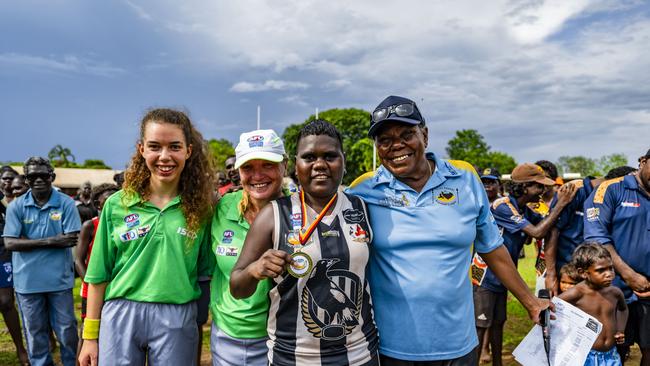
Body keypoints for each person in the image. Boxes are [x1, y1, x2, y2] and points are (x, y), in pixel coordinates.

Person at [347, 95, 548, 365]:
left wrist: (532, 303)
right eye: (384, 140)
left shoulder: (464, 177)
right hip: (390, 347)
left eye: (407, 134)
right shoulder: (363, 190)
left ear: (425, 136)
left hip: (458, 344)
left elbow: (491, 248)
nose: (396, 146)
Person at [231, 120, 379, 365]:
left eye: (330, 156)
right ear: (295, 165)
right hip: (293, 358)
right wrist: (255, 270)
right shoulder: (273, 215)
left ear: (343, 160)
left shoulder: (362, 208)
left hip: (360, 355)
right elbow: (237, 287)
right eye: (309, 157)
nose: (320, 165)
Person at [78, 108, 216, 366]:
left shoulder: (202, 209)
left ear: (188, 151)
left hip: (178, 315)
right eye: (155, 146)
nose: (165, 156)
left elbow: (205, 273)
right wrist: (90, 337)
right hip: (121, 314)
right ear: (142, 149)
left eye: (174, 147)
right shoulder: (118, 204)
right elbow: (98, 276)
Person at [475, 162, 576, 366]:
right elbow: (537, 232)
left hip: (503, 277)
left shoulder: (522, 208)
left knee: (497, 324)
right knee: (481, 326)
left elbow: (545, 225)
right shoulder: (503, 205)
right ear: (524, 186)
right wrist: (561, 204)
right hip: (486, 276)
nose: (543, 190)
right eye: (538, 186)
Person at [209, 129, 288, 366]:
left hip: (284, 337)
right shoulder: (221, 208)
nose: (258, 175)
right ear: (238, 172)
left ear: (285, 165)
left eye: (268, 165)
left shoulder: (301, 210)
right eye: (248, 168)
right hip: (228, 337)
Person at [3, 157, 81, 366]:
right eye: (32, 176)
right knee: (35, 334)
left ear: (52, 177)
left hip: (60, 281)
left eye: (43, 175)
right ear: (26, 180)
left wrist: (27, 241)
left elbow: (70, 239)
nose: (38, 180)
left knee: (67, 332)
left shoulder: (65, 203)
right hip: (27, 282)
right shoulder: (16, 206)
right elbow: (10, 243)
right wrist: (53, 240)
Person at [584, 148, 650, 366]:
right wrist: (628, 274)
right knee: (613, 351)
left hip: (648, 293)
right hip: (614, 291)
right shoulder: (610, 189)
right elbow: (595, 236)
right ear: (643, 162)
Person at [545, 166, 634, 296]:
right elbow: (551, 231)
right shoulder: (573, 191)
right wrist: (551, 274)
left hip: (597, 273)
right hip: (569, 273)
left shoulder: (612, 197)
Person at [559, 243, 627, 366]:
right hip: (585, 356)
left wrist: (620, 329)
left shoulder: (615, 292)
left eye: (610, 268)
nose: (609, 274)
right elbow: (553, 309)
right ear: (583, 273)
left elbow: (623, 309)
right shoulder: (576, 293)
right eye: (601, 270)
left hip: (611, 355)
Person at [74, 183, 119, 357]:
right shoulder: (90, 225)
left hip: (115, 286)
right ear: (98, 205)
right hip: (93, 286)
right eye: (107, 201)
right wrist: (91, 282)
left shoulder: (127, 223)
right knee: (87, 330)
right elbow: (78, 260)